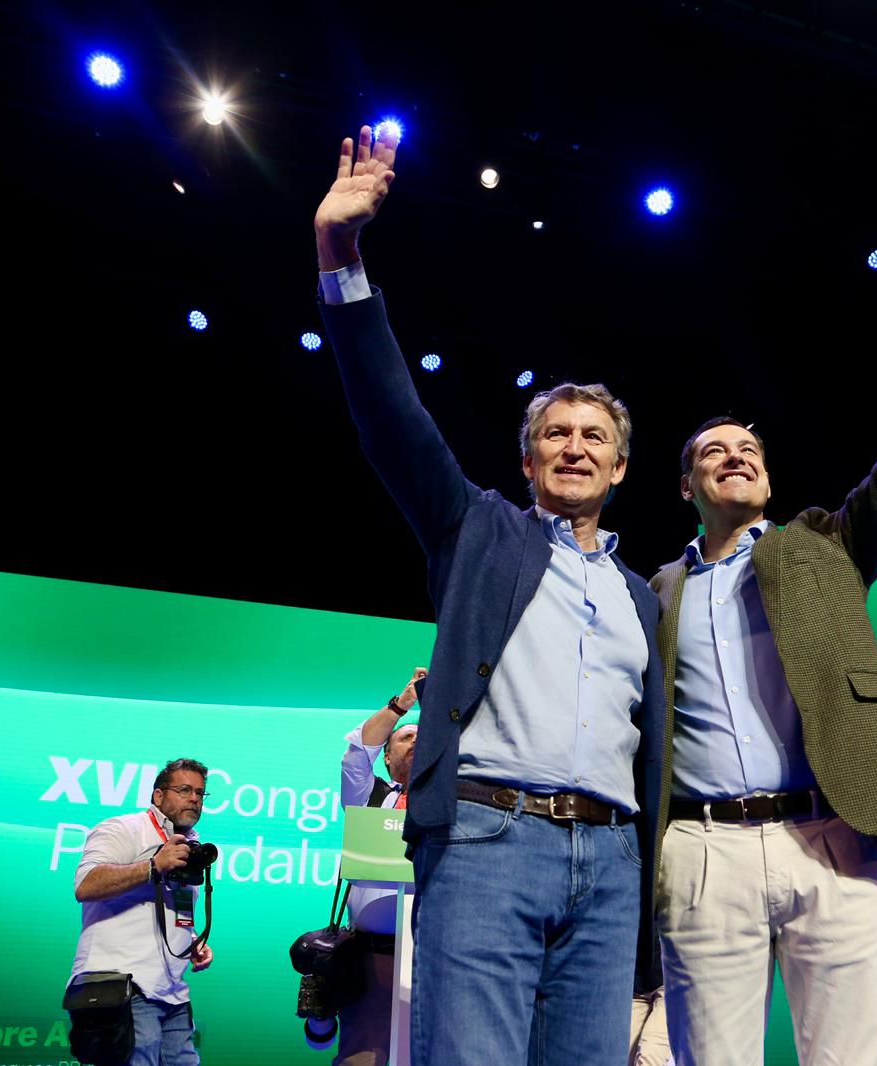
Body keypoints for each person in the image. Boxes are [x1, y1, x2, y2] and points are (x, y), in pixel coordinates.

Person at [311, 124, 666, 1066]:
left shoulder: (644, 597)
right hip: (485, 841)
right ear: (528, 460)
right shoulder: (478, 531)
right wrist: (341, 255)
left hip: (613, 862)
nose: (575, 446)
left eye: (595, 437)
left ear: (620, 468)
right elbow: (392, 418)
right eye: (556, 434)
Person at [650, 226, 877, 1066]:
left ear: (767, 478)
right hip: (702, 852)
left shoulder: (827, 545)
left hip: (830, 837)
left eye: (750, 450)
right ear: (688, 486)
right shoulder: (651, 591)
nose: (736, 458)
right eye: (715, 452)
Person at [68, 758, 216, 1065]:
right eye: (184, 790)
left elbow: (172, 914)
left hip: (173, 995)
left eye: (200, 793)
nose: (194, 798)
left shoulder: (190, 849)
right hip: (122, 986)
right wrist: (152, 866)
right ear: (158, 796)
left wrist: (191, 942)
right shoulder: (123, 828)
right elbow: (85, 884)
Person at [331, 666, 425, 1066]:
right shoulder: (369, 795)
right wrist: (402, 705)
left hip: (434, 955)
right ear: (387, 757)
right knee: (363, 1058)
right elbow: (357, 752)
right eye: (405, 737)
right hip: (372, 958)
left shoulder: (458, 802)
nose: (416, 740)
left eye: (424, 736)